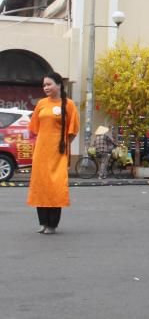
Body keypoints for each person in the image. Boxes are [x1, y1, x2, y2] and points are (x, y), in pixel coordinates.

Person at [27, 72, 78, 235]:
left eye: (49, 84)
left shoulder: (69, 104)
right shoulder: (41, 103)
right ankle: (42, 223)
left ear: (59, 85)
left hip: (58, 152)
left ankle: (52, 225)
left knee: (55, 186)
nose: (46, 88)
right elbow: (34, 128)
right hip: (41, 152)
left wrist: (62, 145)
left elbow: (73, 129)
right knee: (41, 185)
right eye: (44, 85)